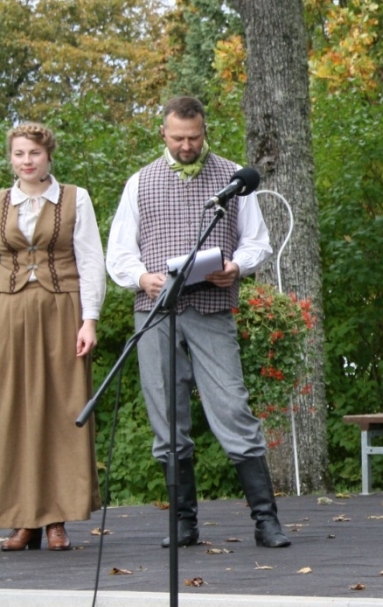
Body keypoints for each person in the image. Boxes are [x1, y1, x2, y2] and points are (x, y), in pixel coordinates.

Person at [106, 96, 290, 549]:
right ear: (163, 134)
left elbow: (257, 242)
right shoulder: (140, 182)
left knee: (232, 407)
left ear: (205, 131)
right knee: (167, 415)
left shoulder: (233, 177)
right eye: (178, 137)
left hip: (211, 309)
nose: (187, 145)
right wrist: (141, 277)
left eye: (194, 137)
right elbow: (119, 253)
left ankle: (266, 520)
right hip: (155, 313)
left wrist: (237, 267)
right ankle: (183, 523)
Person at [0, 123, 106, 552]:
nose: (27, 161)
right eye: (19, 154)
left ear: (48, 156)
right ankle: (23, 520)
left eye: (34, 154)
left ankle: (57, 520)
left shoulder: (74, 198)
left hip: (63, 314)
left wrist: (90, 319)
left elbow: (91, 260)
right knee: (14, 414)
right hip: (8, 316)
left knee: (63, 413)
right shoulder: (2, 202)